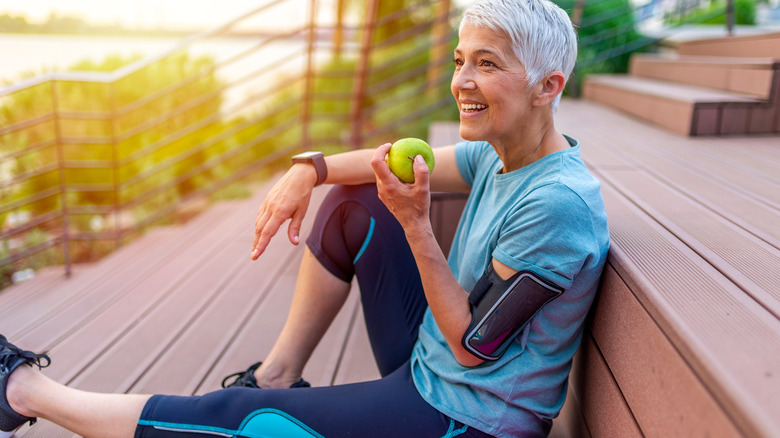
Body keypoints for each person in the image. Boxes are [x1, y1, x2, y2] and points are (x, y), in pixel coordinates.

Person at [0, 0, 609, 436]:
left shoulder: (556, 206)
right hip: (433, 365)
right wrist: (309, 170)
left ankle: (22, 393)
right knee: (355, 203)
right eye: (460, 60)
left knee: (236, 420)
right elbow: (371, 167)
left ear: (547, 86)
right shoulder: (501, 154)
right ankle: (279, 374)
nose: (462, 81)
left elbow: (474, 347)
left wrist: (418, 227)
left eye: (487, 64)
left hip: (467, 416)